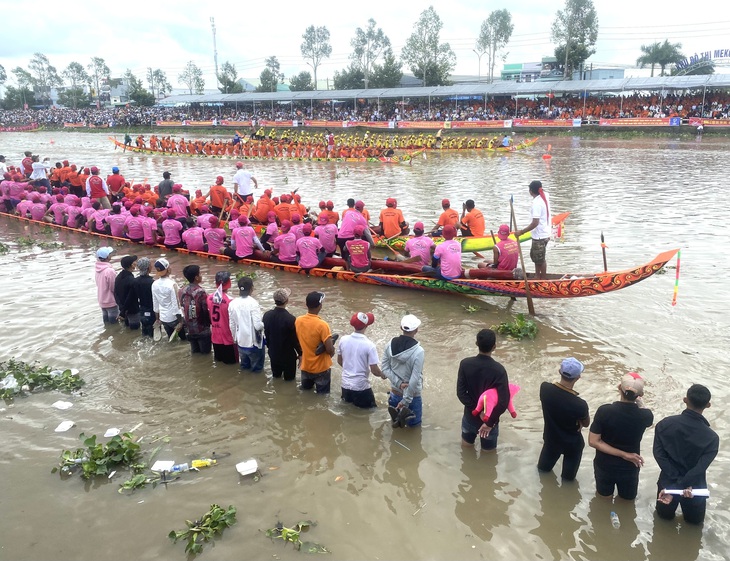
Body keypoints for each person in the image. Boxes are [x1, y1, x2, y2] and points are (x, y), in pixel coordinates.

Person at [653, 384, 719, 524]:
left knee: (663, 521)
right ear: (708, 405)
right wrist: (683, 485)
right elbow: (700, 467)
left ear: (685, 400)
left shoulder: (664, 424)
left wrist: (674, 487)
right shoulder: (711, 438)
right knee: (694, 525)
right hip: (694, 488)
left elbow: (659, 455)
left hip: (667, 484)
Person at [588, 372, 653, 500]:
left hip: (604, 465)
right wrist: (626, 455)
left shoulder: (604, 411)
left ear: (619, 388)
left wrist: (624, 454)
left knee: (604, 499)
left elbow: (594, 441)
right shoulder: (646, 416)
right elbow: (644, 413)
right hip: (630, 467)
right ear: (640, 395)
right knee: (627, 501)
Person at [456, 329, 511, 451]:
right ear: (494, 347)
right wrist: (489, 422)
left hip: (470, 416)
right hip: (490, 421)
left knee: (466, 449)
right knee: (489, 455)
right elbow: (504, 402)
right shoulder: (499, 370)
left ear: (476, 343)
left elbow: (461, 393)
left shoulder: (465, 364)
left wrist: (477, 410)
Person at [537, 358, 590, 481]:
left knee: (542, 471)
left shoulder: (545, 389)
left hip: (551, 440)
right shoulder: (580, 404)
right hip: (573, 445)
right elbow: (586, 424)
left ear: (559, 371)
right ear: (578, 377)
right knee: (568, 479)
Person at [382, 314, 424, 428]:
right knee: (414, 429)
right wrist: (406, 401)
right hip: (412, 397)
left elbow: (384, 368)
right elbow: (414, 379)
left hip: (395, 393)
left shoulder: (389, 345)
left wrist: (399, 384)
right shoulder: (419, 351)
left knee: (396, 425)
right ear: (416, 330)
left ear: (401, 328)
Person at [338, 312, 385, 409]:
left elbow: (339, 361)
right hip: (361, 387)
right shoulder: (369, 345)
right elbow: (374, 370)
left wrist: (351, 368)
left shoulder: (343, 339)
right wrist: (383, 375)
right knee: (371, 412)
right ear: (366, 326)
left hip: (345, 385)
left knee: (349, 412)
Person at [295, 291, 335, 394]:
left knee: (306, 393)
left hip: (305, 366)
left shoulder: (298, 321)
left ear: (306, 305)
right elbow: (330, 349)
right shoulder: (322, 325)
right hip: (321, 369)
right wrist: (331, 353)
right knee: (323, 397)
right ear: (320, 305)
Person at [262, 287, 302, 381]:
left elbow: (266, 334)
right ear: (287, 300)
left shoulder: (267, 315)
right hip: (288, 356)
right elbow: (294, 340)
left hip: (273, 353)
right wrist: (300, 354)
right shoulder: (291, 319)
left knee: (276, 377)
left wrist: (269, 348)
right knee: (289, 381)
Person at [514, 180, 550, 279]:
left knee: (540, 259)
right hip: (544, 233)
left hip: (540, 235)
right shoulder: (545, 195)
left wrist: (521, 232)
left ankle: (542, 279)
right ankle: (537, 276)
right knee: (535, 257)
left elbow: (535, 222)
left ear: (530, 191)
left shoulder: (537, 203)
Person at [228, 277, 265, 372]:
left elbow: (232, 324)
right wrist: (264, 324)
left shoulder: (232, 303)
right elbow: (258, 326)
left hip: (241, 342)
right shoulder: (253, 303)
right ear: (252, 288)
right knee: (257, 370)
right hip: (254, 344)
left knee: (244, 368)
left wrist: (234, 338)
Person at [179, 265, 212, 355]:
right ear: (196, 277)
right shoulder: (201, 292)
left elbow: (183, 306)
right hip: (202, 330)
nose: (201, 275)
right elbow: (205, 311)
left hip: (189, 329)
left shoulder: (182, 290)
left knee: (195, 354)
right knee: (206, 356)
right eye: (200, 273)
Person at [207, 271, 238, 364]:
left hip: (215, 338)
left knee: (219, 364)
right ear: (229, 283)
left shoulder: (209, 298)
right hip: (228, 339)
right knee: (232, 367)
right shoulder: (231, 301)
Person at [152, 258, 184, 340]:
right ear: (168, 269)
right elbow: (176, 305)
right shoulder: (172, 284)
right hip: (174, 318)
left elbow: (155, 304)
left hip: (163, 318)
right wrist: (180, 322)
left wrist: (157, 319)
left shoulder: (154, 284)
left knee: (171, 339)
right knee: (184, 340)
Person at [115, 255, 140, 330]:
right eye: (135, 261)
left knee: (127, 328)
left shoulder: (118, 277)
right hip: (132, 310)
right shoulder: (132, 280)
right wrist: (124, 310)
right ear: (132, 265)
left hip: (122, 308)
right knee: (135, 331)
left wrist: (122, 309)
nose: (136, 262)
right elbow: (131, 297)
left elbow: (115, 293)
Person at [94, 247, 118, 324]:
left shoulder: (97, 269)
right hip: (110, 301)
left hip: (102, 300)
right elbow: (113, 288)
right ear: (107, 257)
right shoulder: (109, 271)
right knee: (114, 325)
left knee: (107, 323)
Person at [133, 257, 155, 337]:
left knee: (144, 332)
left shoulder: (135, 281)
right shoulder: (152, 283)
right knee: (154, 334)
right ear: (148, 267)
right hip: (151, 311)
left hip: (141, 310)